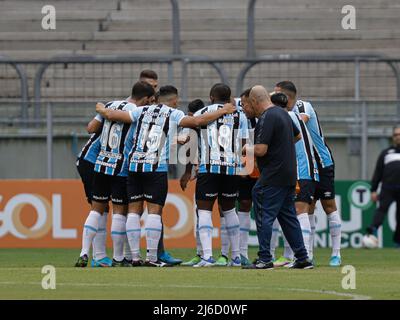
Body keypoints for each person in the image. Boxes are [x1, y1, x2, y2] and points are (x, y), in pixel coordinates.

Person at [96, 85, 236, 266]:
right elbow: (197, 121)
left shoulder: (141, 110)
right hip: (155, 167)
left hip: (134, 165)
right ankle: (152, 258)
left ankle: (134, 257)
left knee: (133, 212)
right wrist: (224, 110)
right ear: (174, 100)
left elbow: (114, 116)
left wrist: (101, 109)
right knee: (154, 212)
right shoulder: (173, 113)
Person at [75, 81, 155, 268]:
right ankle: (118, 258)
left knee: (97, 209)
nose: (150, 105)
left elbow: (91, 128)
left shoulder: (110, 105)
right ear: (144, 99)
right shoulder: (138, 112)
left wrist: (103, 113)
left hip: (101, 164)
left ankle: (84, 252)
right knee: (120, 212)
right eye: (150, 101)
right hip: (120, 167)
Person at [241, 85, 313, 270]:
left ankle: (265, 258)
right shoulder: (283, 114)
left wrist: (244, 149)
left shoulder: (267, 117)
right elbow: (297, 136)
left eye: (249, 104)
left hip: (272, 175)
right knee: (288, 217)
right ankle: (303, 258)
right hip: (288, 174)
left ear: (255, 101)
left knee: (264, 214)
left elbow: (261, 150)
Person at [274, 81, 342, 267]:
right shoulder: (283, 113)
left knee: (329, 206)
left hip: (322, 162)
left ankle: (336, 253)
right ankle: (307, 254)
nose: (273, 95)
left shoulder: (303, 106)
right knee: (306, 207)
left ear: (286, 96)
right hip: (304, 164)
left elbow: (299, 122)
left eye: (277, 93)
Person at [192, 83, 249, 268]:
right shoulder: (240, 115)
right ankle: (236, 256)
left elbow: (194, 132)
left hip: (209, 167)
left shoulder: (203, 112)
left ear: (211, 96)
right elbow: (244, 143)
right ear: (229, 97)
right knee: (230, 210)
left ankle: (207, 256)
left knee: (205, 211)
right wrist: (244, 167)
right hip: (231, 168)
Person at [269, 92, 320, 267]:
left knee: (300, 212)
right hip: (306, 169)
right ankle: (299, 256)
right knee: (295, 212)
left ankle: (303, 257)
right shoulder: (293, 116)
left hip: (300, 170)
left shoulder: (284, 117)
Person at [76, 114, 111, 267]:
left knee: (102, 207)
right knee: (99, 206)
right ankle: (92, 254)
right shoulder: (127, 113)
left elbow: (90, 128)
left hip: (91, 161)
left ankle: (98, 256)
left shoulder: (112, 110)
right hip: (93, 161)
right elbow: (90, 128)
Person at [366, 125, 400, 246]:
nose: (398, 137)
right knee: (381, 211)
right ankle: (371, 233)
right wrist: (373, 190)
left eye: (399, 134)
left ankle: (398, 242)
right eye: (395, 135)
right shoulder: (386, 153)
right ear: (392, 137)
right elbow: (378, 172)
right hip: (388, 188)